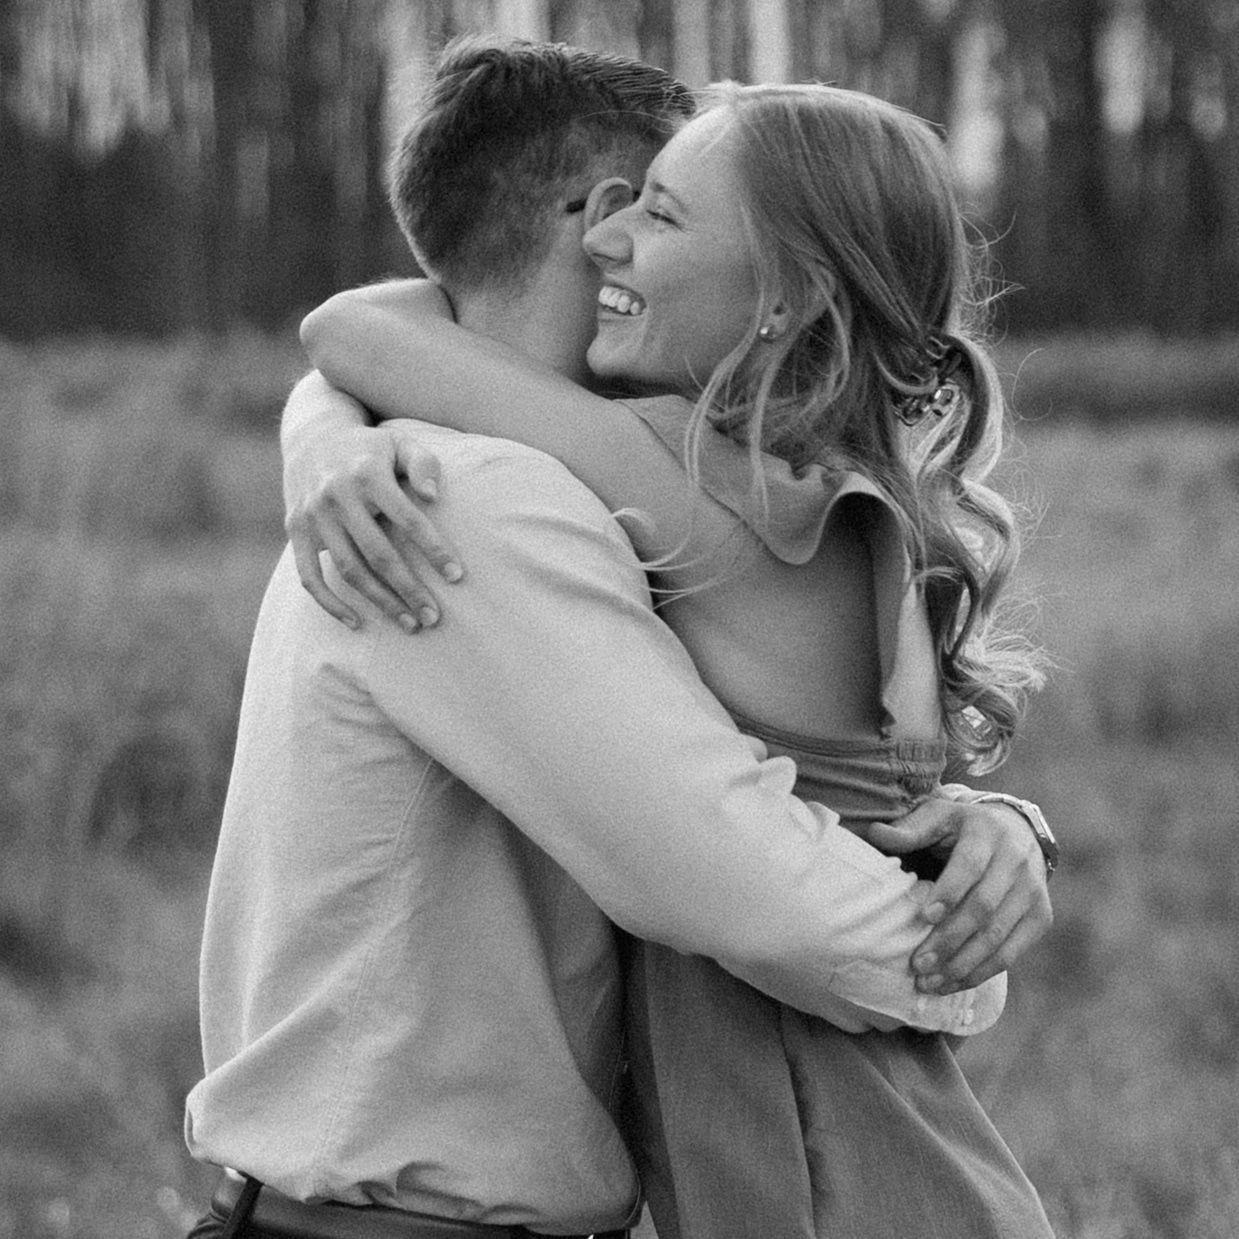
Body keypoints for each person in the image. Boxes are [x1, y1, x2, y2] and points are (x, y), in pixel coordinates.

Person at [186, 38, 1053, 1239]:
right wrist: (970, 953)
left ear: (783, 294)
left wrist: (989, 839)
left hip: (818, 1143)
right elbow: (764, 898)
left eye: (666, 215)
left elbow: (356, 328)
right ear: (593, 215)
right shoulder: (482, 500)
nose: (622, 242)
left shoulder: (636, 492)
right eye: (639, 204)